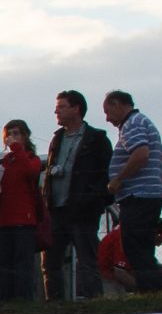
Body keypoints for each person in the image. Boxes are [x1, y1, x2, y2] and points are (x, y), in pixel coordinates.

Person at [101, 91, 162, 291]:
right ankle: (155, 290)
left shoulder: (132, 124)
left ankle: (153, 291)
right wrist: (161, 187)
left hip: (137, 196)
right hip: (149, 195)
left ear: (116, 104)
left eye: (108, 112)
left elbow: (141, 154)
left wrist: (118, 180)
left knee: (135, 249)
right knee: (144, 247)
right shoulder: (144, 122)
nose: (107, 119)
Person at [45, 91, 112, 301]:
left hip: (83, 210)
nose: (57, 111)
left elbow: (107, 174)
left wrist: (91, 199)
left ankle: (94, 302)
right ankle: (55, 305)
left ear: (76, 108)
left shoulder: (96, 138)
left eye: (62, 106)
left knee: (87, 259)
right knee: (50, 262)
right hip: (57, 209)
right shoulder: (57, 138)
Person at [0, 120, 47, 301]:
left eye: (16, 134)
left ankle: (24, 300)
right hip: (5, 220)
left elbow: (30, 171)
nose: (12, 138)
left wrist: (17, 149)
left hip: (24, 220)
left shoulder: (31, 158)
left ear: (25, 136)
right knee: (4, 264)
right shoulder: (4, 162)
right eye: (9, 134)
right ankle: (6, 300)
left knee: (23, 263)